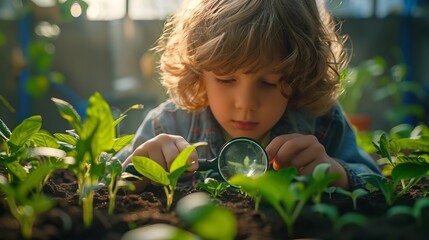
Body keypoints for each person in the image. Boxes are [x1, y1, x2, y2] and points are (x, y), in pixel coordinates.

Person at [117, 0, 381, 191]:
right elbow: (101, 187)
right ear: (198, 73)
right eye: (226, 79)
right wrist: (136, 173)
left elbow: (378, 183)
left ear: (302, 75)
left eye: (268, 83)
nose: (245, 104)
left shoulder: (321, 123)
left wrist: (335, 174)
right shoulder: (167, 124)